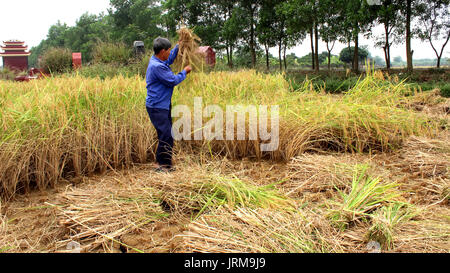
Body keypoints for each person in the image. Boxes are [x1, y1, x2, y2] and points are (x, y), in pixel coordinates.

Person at [146, 37, 192, 172]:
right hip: (157, 106)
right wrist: (185, 72)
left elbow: (170, 58)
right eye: (168, 50)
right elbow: (172, 80)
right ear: (162, 51)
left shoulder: (158, 60)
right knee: (166, 135)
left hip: (162, 105)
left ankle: (161, 163)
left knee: (165, 134)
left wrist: (179, 46)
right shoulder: (157, 66)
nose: (170, 53)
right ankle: (163, 165)